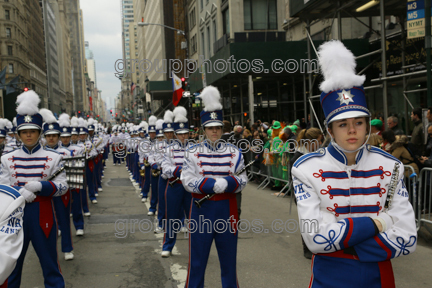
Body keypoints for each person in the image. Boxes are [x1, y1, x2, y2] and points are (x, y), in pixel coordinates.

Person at [292, 40, 416, 287]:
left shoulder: (391, 167)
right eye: (342, 124)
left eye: (358, 122)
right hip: (329, 274)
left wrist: (339, 231)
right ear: (330, 129)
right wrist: (380, 221)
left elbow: (408, 238)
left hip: (378, 275)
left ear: (367, 125)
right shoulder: (306, 169)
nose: (352, 130)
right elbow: (315, 239)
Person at [181, 85, 247, 288]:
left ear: (222, 128)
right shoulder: (192, 151)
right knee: (197, 260)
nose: (214, 131)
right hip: (201, 209)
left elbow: (243, 178)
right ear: (204, 129)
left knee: (228, 261)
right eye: (210, 128)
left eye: (217, 127)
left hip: (227, 210)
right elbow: (186, 179)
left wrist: (227, 183)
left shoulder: (235, 152)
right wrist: (210, 184)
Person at [1, 90, 68, 288]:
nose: (28, 135)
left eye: (32, 131)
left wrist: (42, 186)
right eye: (24, 131)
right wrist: (17, 194)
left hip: (43, 215)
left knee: (50, 266)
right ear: (19, 133)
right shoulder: (7, 159)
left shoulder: (55, 157)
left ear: (39, 132)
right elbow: (3, 190)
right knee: (10, 268)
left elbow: (63, 186)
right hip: (15, 216)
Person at [160, 106, 192, 257]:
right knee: (171, 217)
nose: (183, 137)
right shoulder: (169, 149)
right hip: (175, 186)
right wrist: (177, 171)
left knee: (194, 218)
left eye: (185, 134)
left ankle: (196, 247)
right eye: (180, 134)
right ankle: (168, 245)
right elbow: (165, 168)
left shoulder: (195, 149)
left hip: (191, 188)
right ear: (175, 135)